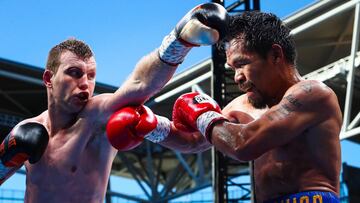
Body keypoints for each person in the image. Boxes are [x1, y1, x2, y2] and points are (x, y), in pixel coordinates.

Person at [0, 3, 229, 202]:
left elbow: (140, 83)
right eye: (74, 73)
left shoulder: (96, 116)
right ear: (49, 79)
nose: (85, 83)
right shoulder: (27, 130)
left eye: (91, 75)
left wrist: (179, 40)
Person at [108, 11, 342, 203]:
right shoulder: (244, 104)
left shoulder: (313, 94)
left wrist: (202, 115)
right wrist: (151, 126)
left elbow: (242, 144)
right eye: (232, 69)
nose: (237, 77)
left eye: (242, 64)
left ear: (275, 54)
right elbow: (194, 141)